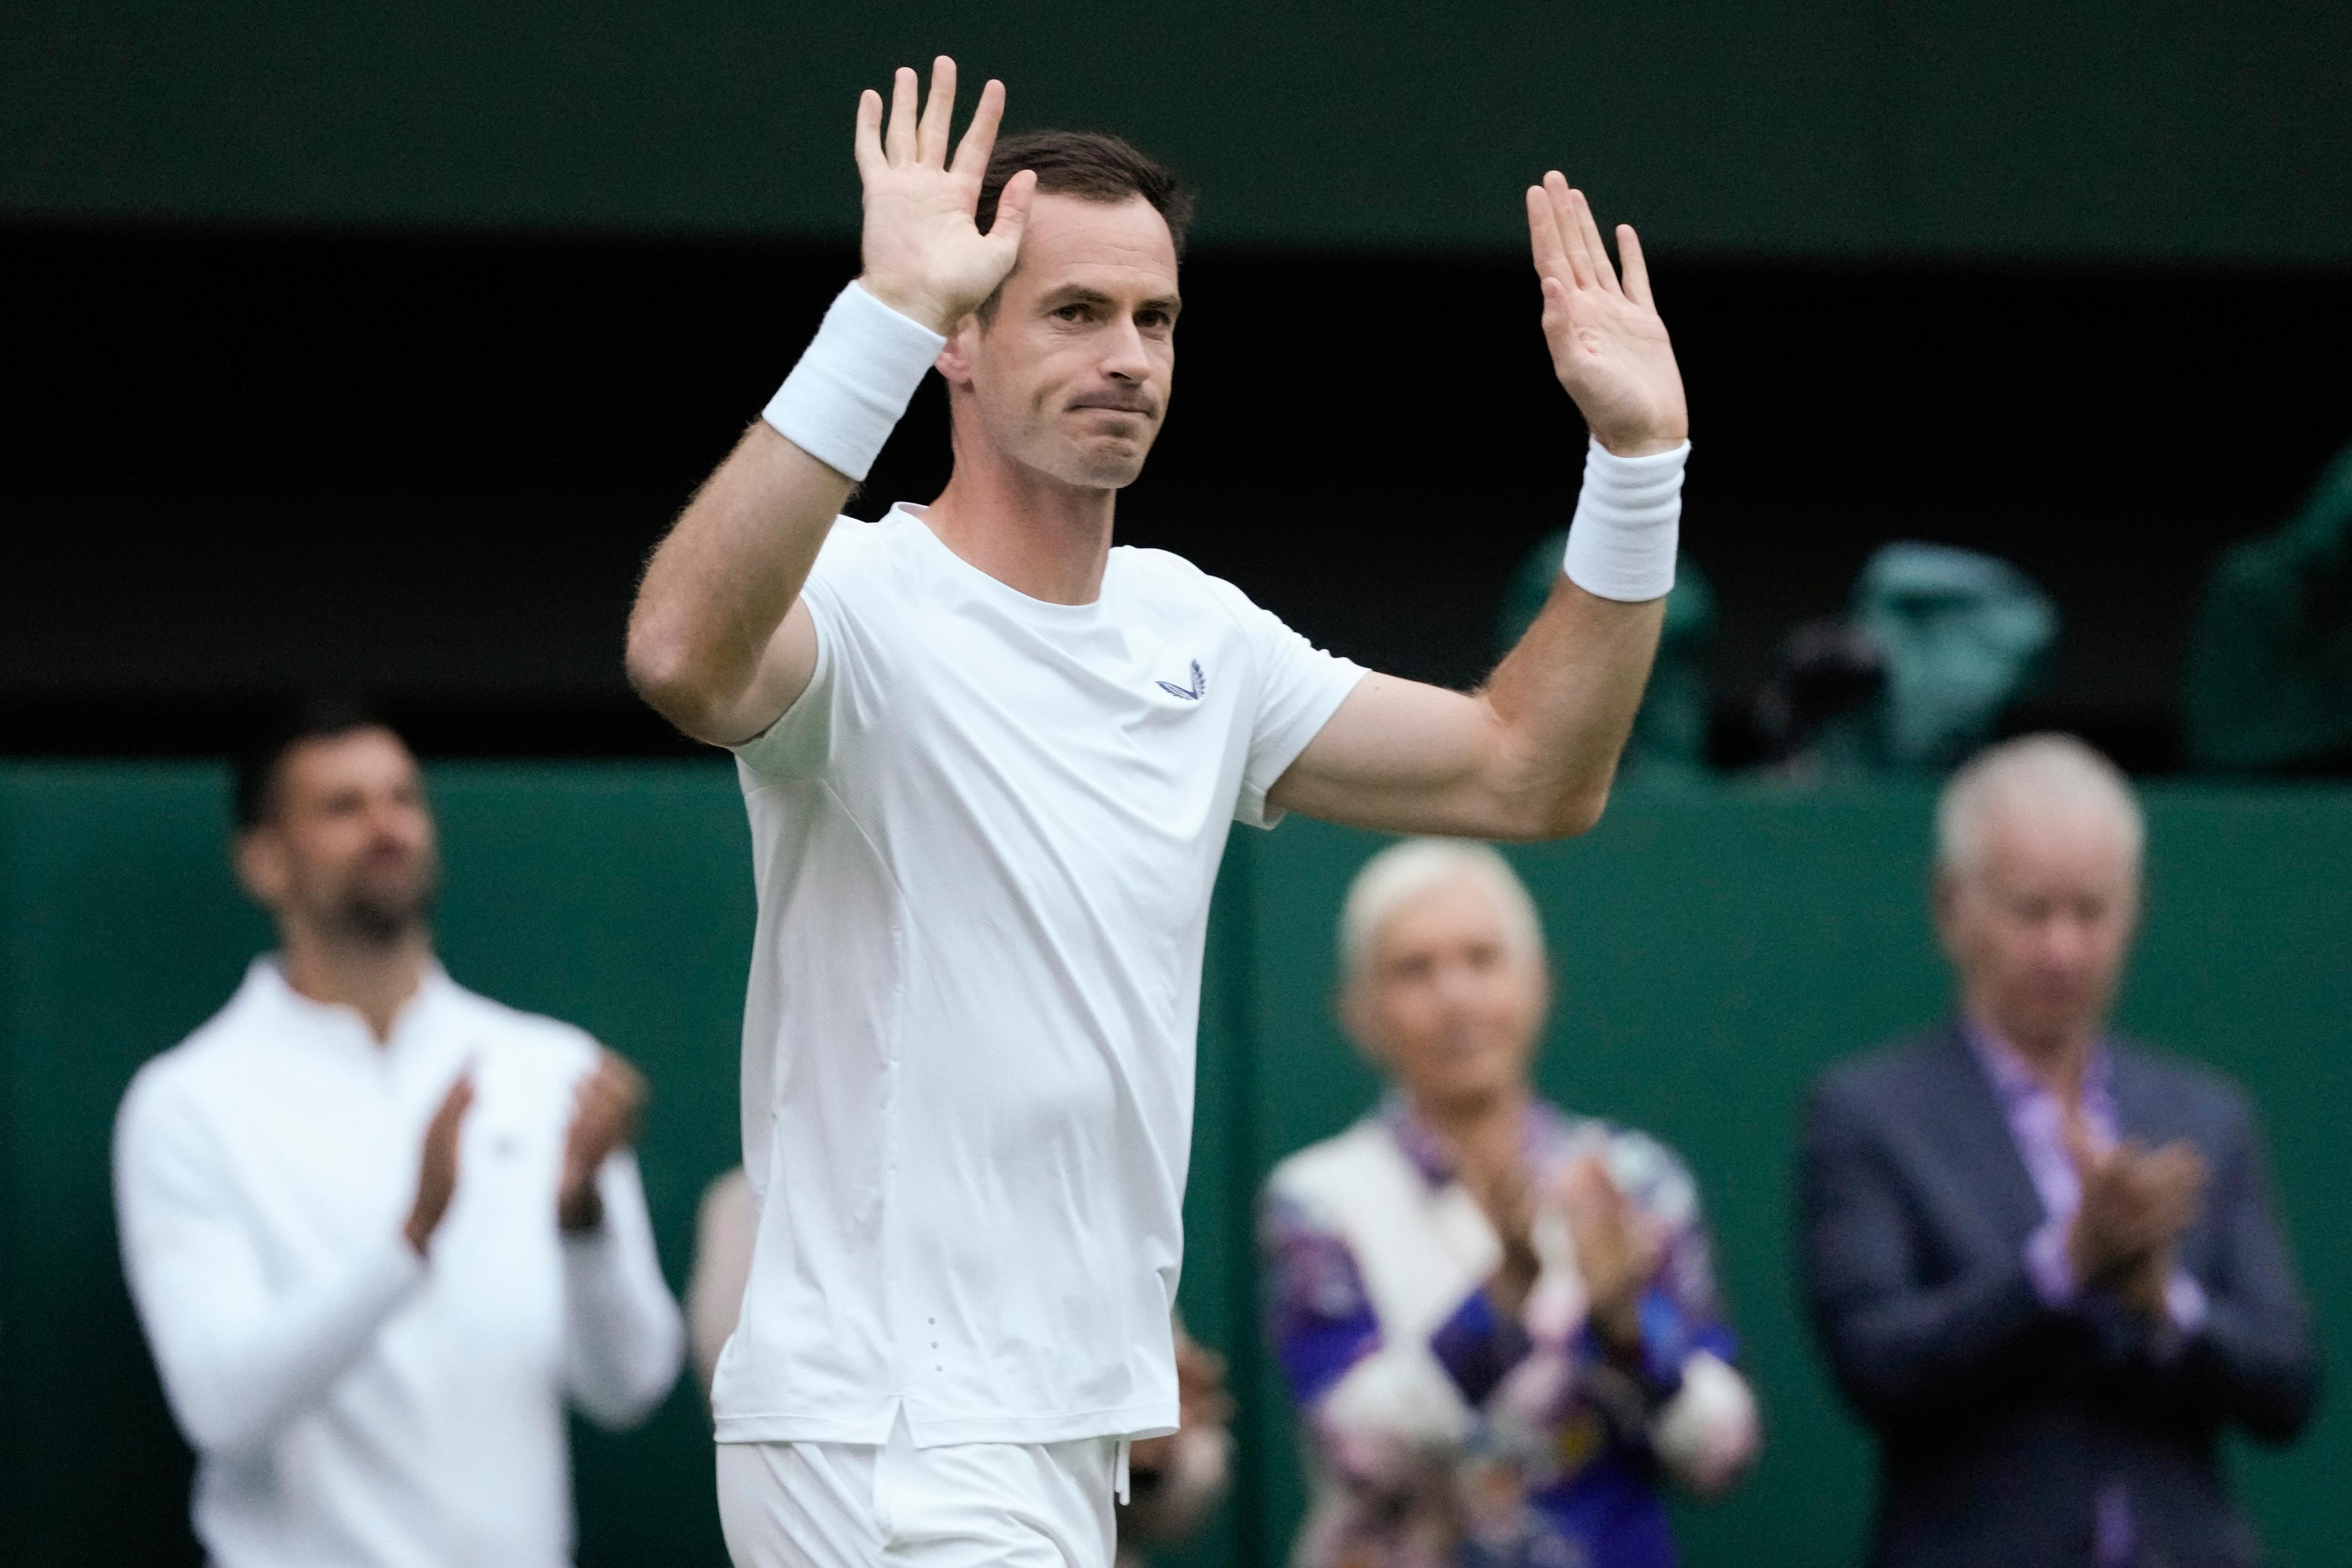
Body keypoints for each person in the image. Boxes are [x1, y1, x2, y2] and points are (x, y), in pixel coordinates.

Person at [626, 55, 1691, 1568]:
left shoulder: (1200, 635)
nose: (1126, 354)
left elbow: (1530, 769)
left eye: (1154, 318)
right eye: (1072, 312)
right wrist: (875, 314)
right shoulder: (859, 600)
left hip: (1067, 1433)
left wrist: (1638, 461)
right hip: (882, 1430)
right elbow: (677, 652)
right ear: (960, 347)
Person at [113, 703, 685, 1568]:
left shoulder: (548, 1067)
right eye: (342, 808)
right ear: (265, 861)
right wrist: (409, 1240)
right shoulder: (187, 1103)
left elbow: (631, 1386)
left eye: (403, 799)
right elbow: (220, 1405)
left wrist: (584, 1228)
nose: (387, 828)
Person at [1800, 734, 2320, 1568]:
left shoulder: (2207, 1118)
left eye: (2091, 910)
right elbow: (1879, 1364)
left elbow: (2288, 1383)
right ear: (1951, 909)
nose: (2063, 950)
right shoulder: (1866, 1116)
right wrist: (2062, 1270)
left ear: (2135, 908)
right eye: (2031, 911)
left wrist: (2167, 1305)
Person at [1262, 840, 1757, 1568]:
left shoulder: (1632, 1182)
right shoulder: (1319, 1198)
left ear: (1539, 983)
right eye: (1414, 969)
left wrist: (1629, 1331)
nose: (1455, 996)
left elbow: (1722, 1450)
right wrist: (1499, 1304)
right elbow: (1360, 1451)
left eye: (1482, 959)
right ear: (1359, 1011)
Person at [687, 1164, 1233, 1564]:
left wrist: (1146, 1457)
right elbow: (762, 1411)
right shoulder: (757, 1204)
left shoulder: (1078, 1199)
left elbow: (1195, 1477)